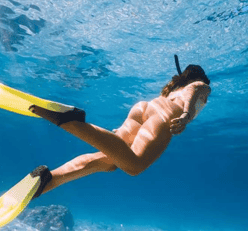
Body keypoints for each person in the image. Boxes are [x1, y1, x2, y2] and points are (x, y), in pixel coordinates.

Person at [29, 56, 211, 197]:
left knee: (108, 161)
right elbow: (193, 90)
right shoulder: (201, 86)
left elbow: (182, 92)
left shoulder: (172, 88)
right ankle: (70, 121)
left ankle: (48, 180)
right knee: (134, 166)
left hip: (143, 109)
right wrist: (186, 116)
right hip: (163, 115)